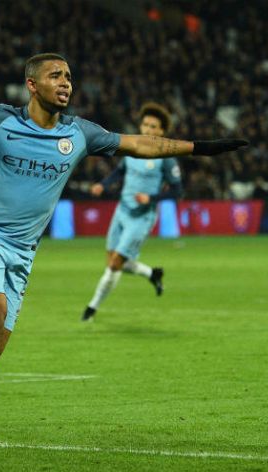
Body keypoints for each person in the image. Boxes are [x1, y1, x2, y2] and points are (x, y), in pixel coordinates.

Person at [0, 52, 249, 448]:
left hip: (24, 251)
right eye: (56, 76)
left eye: (69, 76)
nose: (66, 82)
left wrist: (200, 148)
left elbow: (141, 144)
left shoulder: (80, 133)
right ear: (32, 85)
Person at [81, 102, 183, 322]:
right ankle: (152, 274)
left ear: (162, 132)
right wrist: (103, 185)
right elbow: (120, 172)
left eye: (154, 127)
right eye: (145, 125)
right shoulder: (132, 147)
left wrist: (151, 198)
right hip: (122, 211)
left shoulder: (166, 158)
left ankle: (91, 309)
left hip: (142, 216)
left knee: (115, 264)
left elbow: (177, 190)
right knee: (115, 262)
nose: (148, 130)